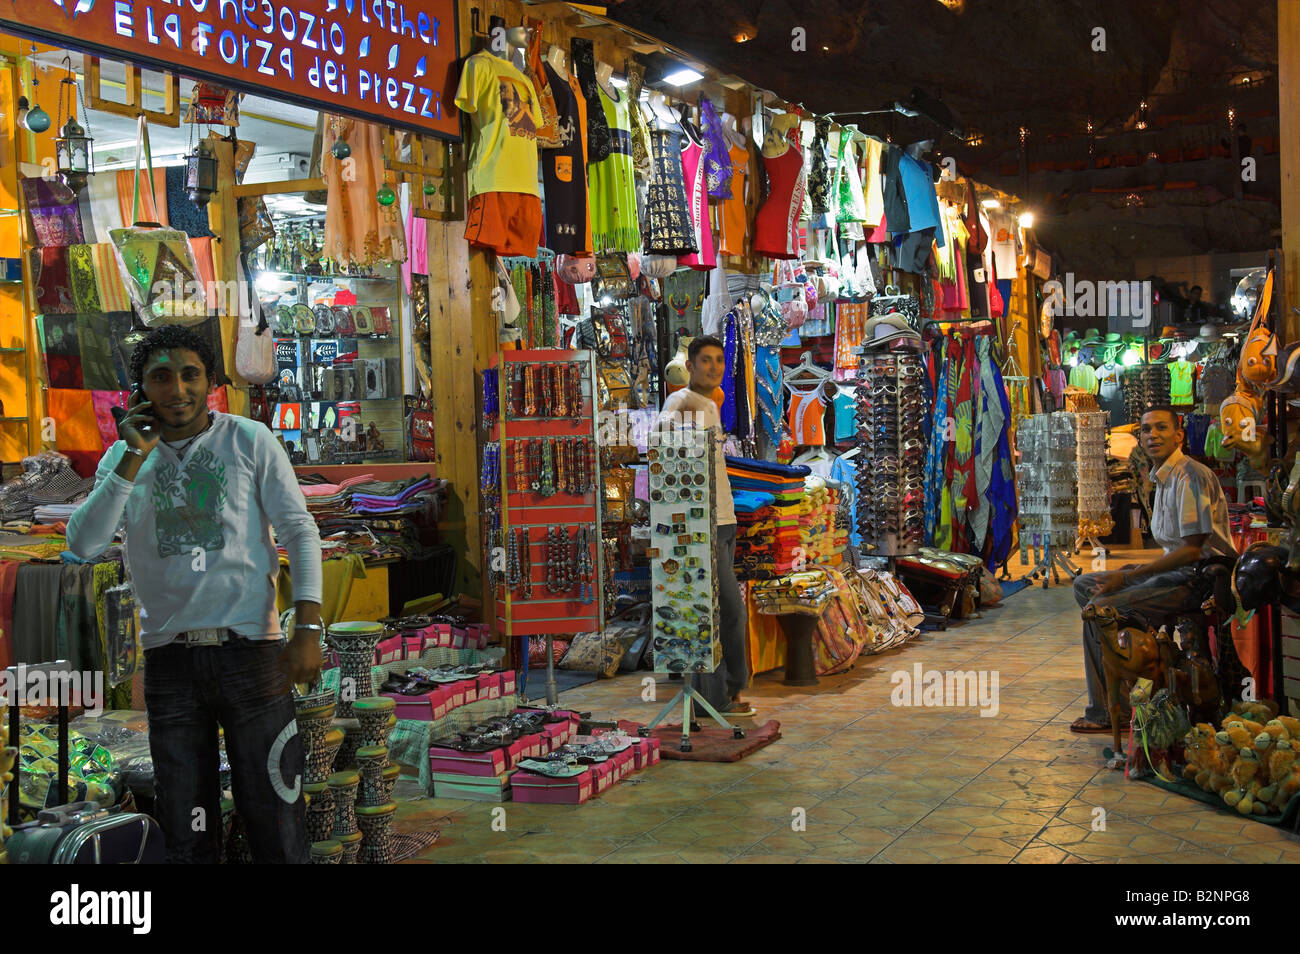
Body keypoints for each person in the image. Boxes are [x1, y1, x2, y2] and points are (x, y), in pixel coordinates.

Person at [67, 326, 324, 863]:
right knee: (186, 824)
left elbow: (300, 532)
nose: (176, 389)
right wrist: (132, 460)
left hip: (252, 654)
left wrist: (307, 627)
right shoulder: (125, 456)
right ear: (139, 389)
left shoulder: (249, 440)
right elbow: (84, 544)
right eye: (160, 377)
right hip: (170, 663)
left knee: (275, 813)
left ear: (210, 382)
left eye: (190, 374)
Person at [1069, 406, 1235, 735]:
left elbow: (1191, 550)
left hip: (1198, 580)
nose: (1152, 435)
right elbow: (1174, 547)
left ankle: (1107, 710)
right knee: (1085, 585)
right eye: (1146, 430)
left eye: (1161, 428)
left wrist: (1131, 576)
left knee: (1098, 610)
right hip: (1179, 572)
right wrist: (1139, 568)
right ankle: (1130, 675)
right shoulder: (1164, 477)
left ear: (1179, 435)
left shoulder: (1189, 476)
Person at [657, 334, 754, 718]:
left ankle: (718, 695)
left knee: (716, 609)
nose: (713, 367)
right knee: (725, 610)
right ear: (691, 366)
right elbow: (660, 442)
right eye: (706, 361)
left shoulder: (711, 405)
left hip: (724, 518)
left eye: (718, 360)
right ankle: (722, 693)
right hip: (702, 523)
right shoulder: (680, 401)